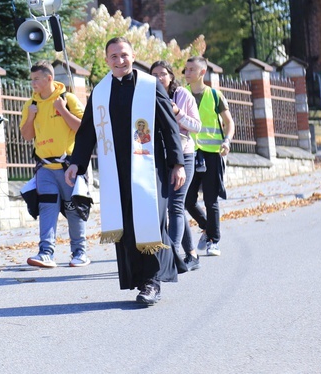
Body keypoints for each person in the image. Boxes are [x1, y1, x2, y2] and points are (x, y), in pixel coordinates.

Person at [65, 37, 186, 305]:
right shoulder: (100, 91)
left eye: (124, 55)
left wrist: (177, 163)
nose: (120, 61)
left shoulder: (149, 85)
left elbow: (169, 126)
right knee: (129, 226)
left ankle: (152, 282)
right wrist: (77, 163)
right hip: (115, 171)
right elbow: (87, 132)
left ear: (133, 56)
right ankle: (141, 280)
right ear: (107, 60)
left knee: (151, 220)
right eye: (114, 57)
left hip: (149, 168)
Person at [20, 60, 88, 268]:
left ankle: (80, 252)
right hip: (45, 169)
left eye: (36, 79)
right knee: (47, 208)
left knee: (72, 209)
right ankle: (46, 253)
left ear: (49, 78)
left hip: (68, 166)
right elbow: (26, 135)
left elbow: (84, 129)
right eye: (31, 79)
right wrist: (31, 117)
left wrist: (62, 110)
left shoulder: (67, 99)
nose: (33, 83)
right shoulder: (30, 104)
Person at [150, 60, 202, 272]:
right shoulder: (149, 96)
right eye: (154, 74)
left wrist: (177, 112)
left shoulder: (182, 94)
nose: (159, 78)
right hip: (162, 157)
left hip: (185, 155)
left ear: (171, 76)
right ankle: (191, 253)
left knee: (176, 205)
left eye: (163, 73)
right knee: (174, 206)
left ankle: (170, 256)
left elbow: (197, 126)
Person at [183, 56, 235, 257]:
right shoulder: (181, 94)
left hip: (212, 154)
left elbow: (229, 123)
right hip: (189, 153)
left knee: (211, 200)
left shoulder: (215, 95)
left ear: (202, 72)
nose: (187, 73)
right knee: (187, 200)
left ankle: (214, 240)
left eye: (191, 69)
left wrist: (227, 141)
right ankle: (207, 228)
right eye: (186, 69)